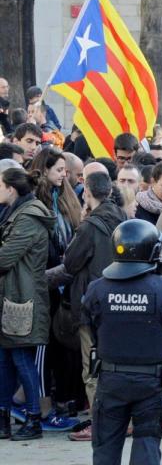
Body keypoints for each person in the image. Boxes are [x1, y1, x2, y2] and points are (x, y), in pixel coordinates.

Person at [81, 219, 162, 464]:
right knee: (147, 445)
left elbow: (93, 329)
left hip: (111, 379)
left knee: (105, 448)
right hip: (152, 380)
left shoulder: (96, 289)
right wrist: (161, 350)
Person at [51, 171, 127, 443]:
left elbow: (70, 263)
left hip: (92, 305)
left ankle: (100, 424)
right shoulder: (122, 217)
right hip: (119, 302)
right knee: (115, 366)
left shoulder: (90, 226)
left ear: (88, 193)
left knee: (92, 368)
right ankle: (122, 421)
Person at [0, 168, 54, 440]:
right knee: (4, 359)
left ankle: (33, 419)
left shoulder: (29, 216)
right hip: (12, 297)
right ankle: (3, 419)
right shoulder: (15, 212)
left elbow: (4, 257)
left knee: (21, 359)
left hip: (23, 300)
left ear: (10, 188)